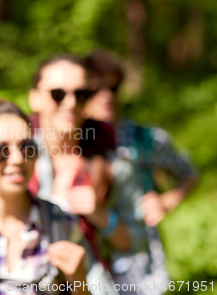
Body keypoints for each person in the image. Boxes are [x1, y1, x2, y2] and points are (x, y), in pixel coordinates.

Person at [27, 55, 147, 294]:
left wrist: (101, 216)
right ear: (35, 98)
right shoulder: (13, 161)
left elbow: (137, 242)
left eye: (81, 94)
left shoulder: (113, 165)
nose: (70, 103)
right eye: (58, 94)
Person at [83, 49, 198, 294]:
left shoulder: (145, 138)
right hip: (89, 258)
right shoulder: (71, 140)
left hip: (138, 258)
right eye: (95, 90)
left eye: (113, 88)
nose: (106, 97)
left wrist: (166, 201)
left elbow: (188, 173)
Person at [0, 97, 89, 295]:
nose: (17, 159)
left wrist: (79, 281)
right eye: (1, 150)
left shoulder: (61, 222)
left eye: (26, 147)